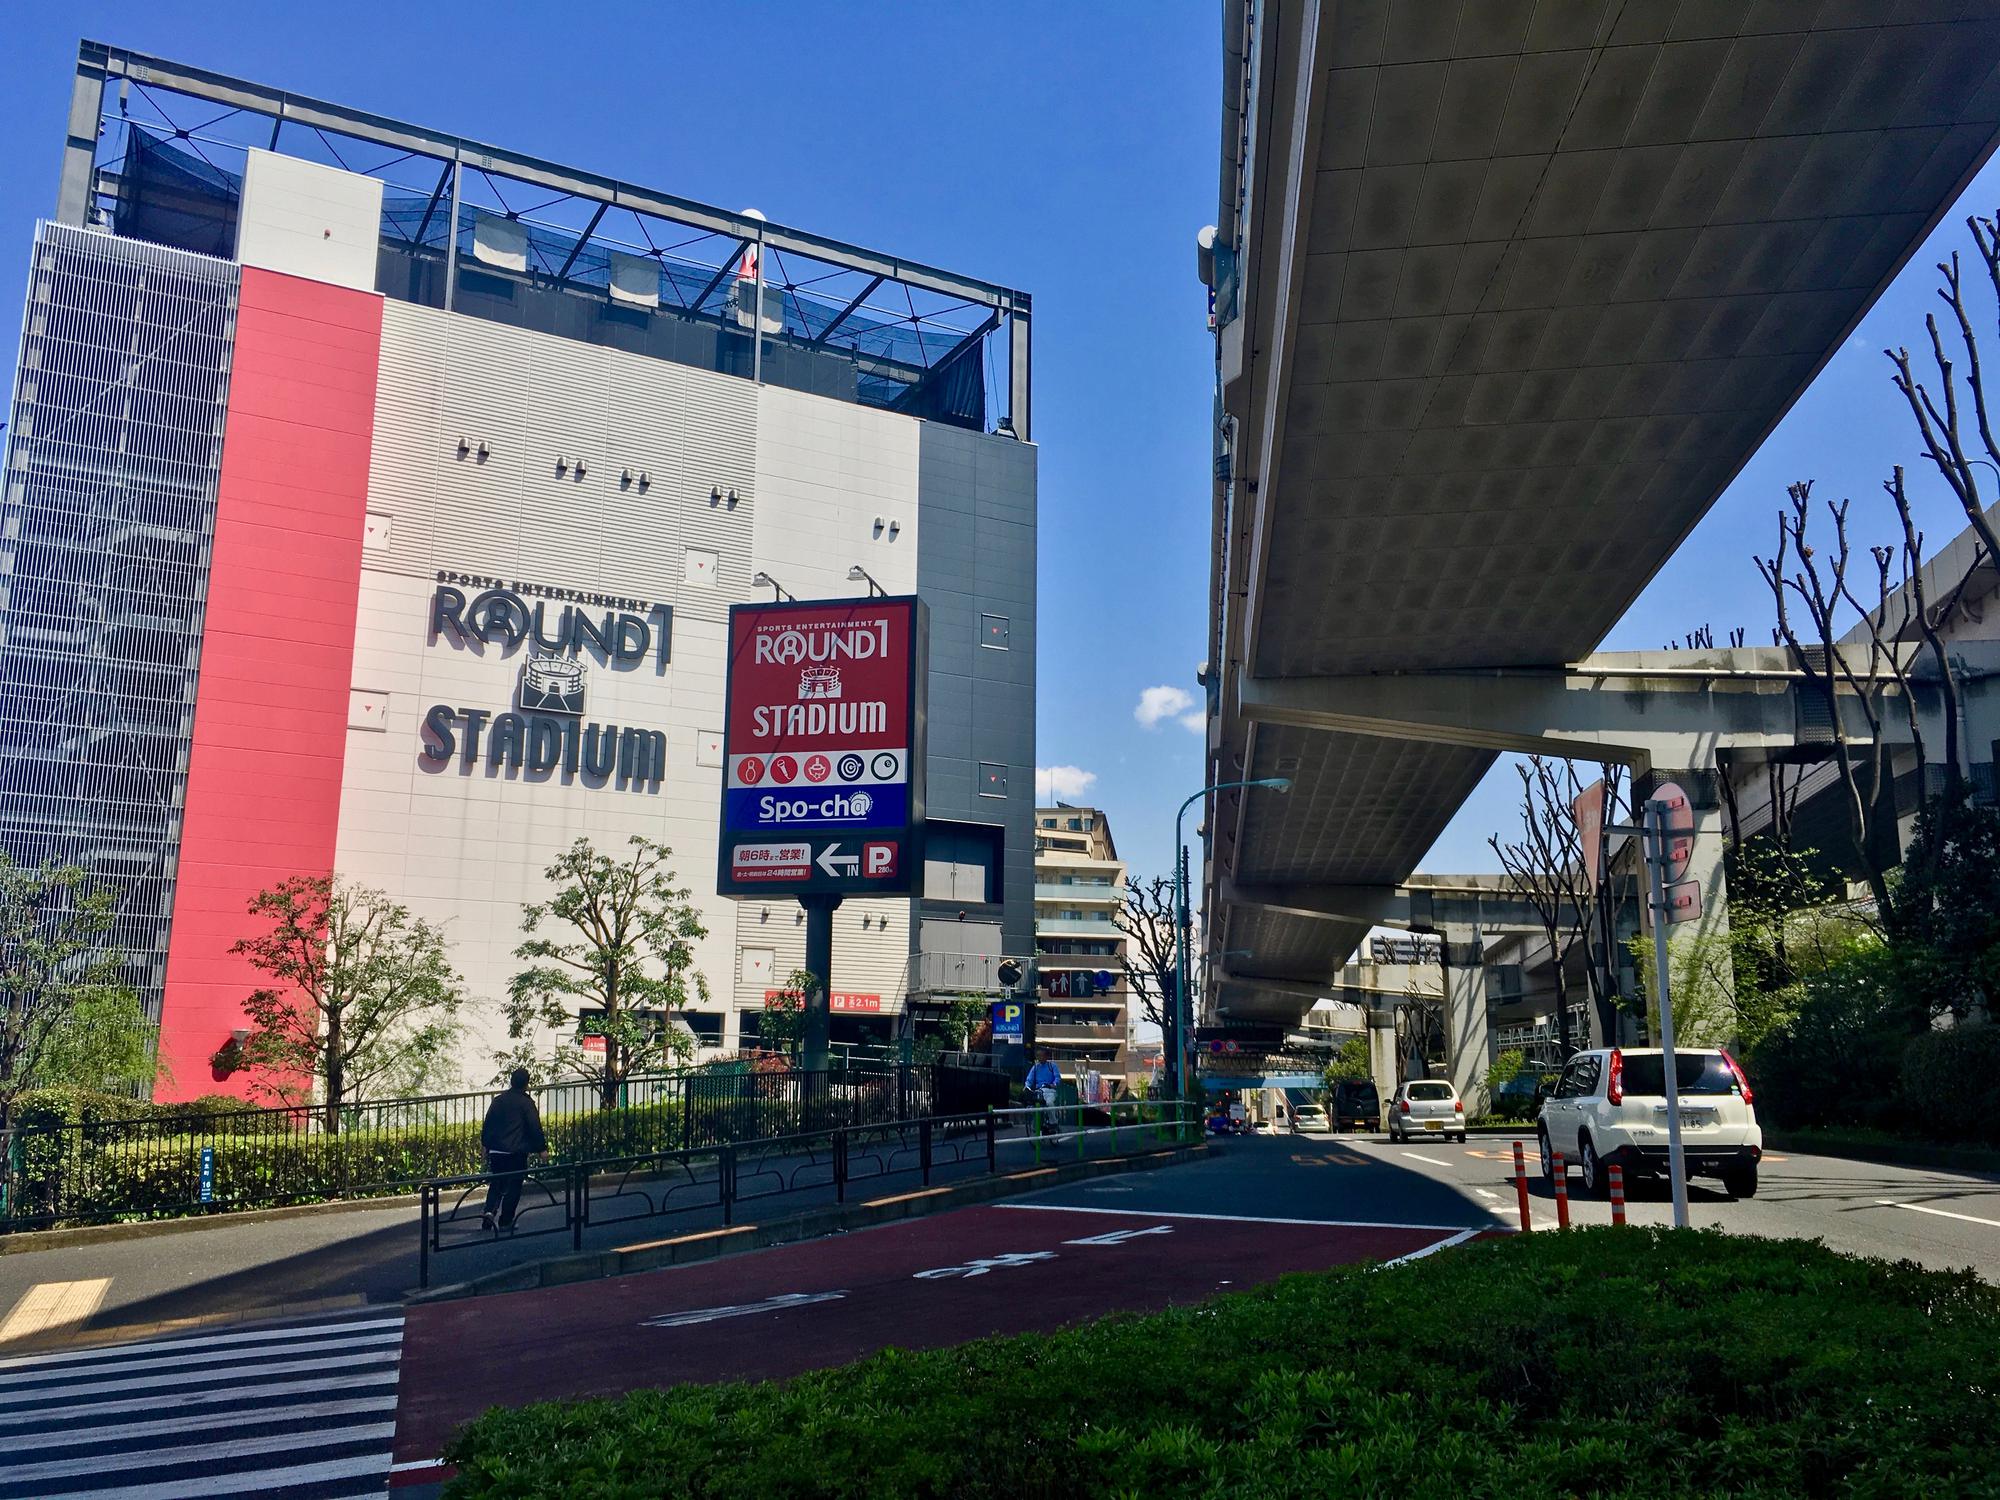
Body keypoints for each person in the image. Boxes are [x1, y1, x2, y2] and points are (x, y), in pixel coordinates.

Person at [480, 1068, 548, 1231]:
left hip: (496, 1150)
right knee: (514, 1186)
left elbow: (488, 1124)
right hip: (516, 1151)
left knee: (497, 1182)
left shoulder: (498, 1100)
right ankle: (506, 1221)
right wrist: (541, 1149)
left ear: (511, 1081)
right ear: (526, 1084)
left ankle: (489, 1212)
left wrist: (485, 1145)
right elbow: (534, 1127)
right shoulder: (526, 1103)